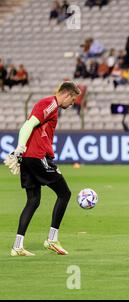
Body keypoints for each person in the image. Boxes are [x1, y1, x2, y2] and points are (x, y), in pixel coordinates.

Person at [4, 81, 80, 256]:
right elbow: (28, 124)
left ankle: (18, 246)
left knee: (33, 201)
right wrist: (20, 148)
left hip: (29, 159)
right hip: (37, 158)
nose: (73, 103)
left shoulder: (51, 106)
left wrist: (21, 152)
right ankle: (52, 239)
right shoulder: (49, 104)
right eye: (73, 99)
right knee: (65, 193)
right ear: (67, 94)